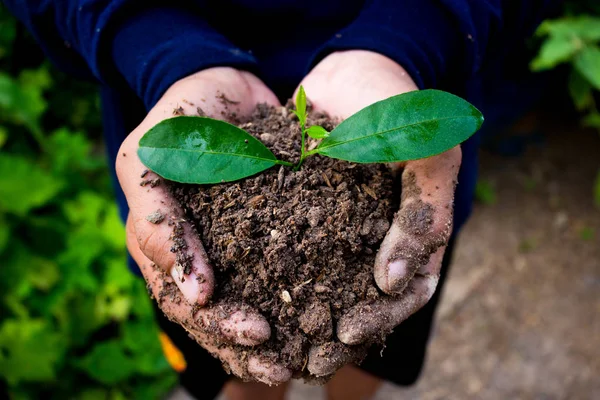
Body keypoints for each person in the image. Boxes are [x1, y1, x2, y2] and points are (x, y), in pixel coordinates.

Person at [4, 1, 561, 399]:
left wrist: (412, 36)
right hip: (176, 117)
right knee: (237, 362)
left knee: (377, 329)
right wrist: (160, 47)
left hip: (400, 118)